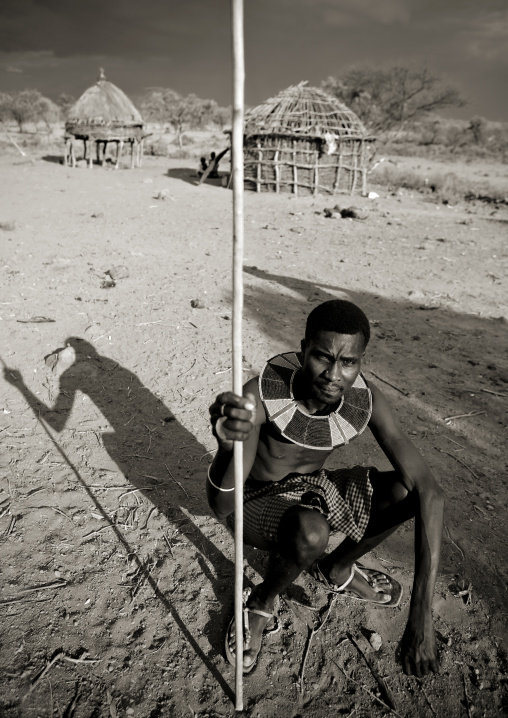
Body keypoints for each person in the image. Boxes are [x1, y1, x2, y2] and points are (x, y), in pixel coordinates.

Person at [207, 299, 444, 678]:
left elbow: (430, 492)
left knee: (404, 491)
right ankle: (261, 601)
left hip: (308, 490)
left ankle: (337, 567)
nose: (334, 374)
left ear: (361, 361)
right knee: (311, 531)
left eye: (348, 362)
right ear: (303, 351)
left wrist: (422, 612)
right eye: (322, 357)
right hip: (252, 501)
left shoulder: (363, 400)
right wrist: (226, 449)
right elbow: (222, 506)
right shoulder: (259, 398)